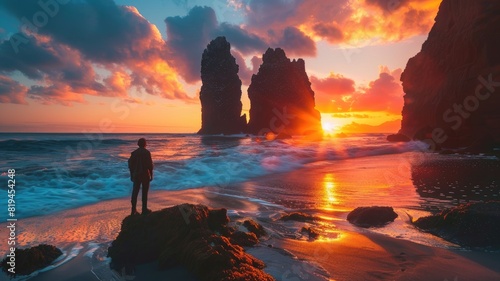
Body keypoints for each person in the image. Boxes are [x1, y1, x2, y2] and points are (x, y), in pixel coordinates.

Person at [128, 138, 153, 215]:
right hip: (145, 174)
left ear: (138, 144)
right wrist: (151, 174)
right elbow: (150, 165)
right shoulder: (147, 153)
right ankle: (144, 209)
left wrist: (131, 175)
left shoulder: (134, 153)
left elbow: (130, 165)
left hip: (136, 175)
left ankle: (133, 210)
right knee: (144, 192)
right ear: (145, 144)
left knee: (135, 192)